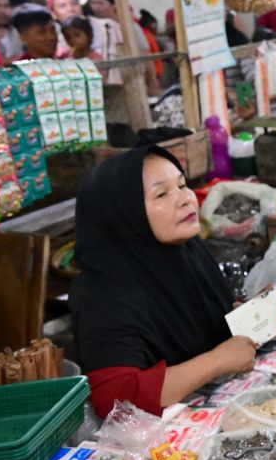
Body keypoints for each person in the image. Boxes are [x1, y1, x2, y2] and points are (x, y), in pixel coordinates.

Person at [71, 146, 259, 418]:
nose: (185, 199)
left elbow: (202, 324)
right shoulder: (104, 292)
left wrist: (254, 315)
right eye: (161, 193)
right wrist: (217, 361)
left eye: (183, 185)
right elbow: (113, 399)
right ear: (124, 213)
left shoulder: (188, 251)